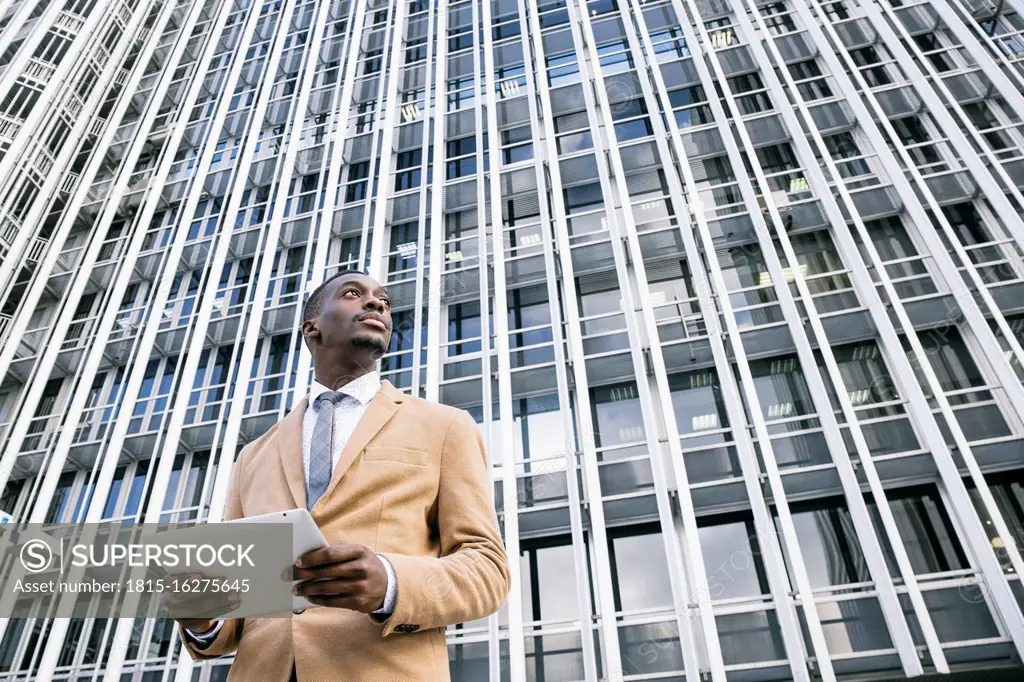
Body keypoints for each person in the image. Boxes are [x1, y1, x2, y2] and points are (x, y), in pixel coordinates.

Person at [175, 269, 510, 681]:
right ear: (311, 327)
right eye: (354, 294)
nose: (376, 304)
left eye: (384, 302)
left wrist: (391, 582)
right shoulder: (252, 456)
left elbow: (487, 569)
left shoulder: (445, 426)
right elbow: (239, 604)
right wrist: (202, 616)